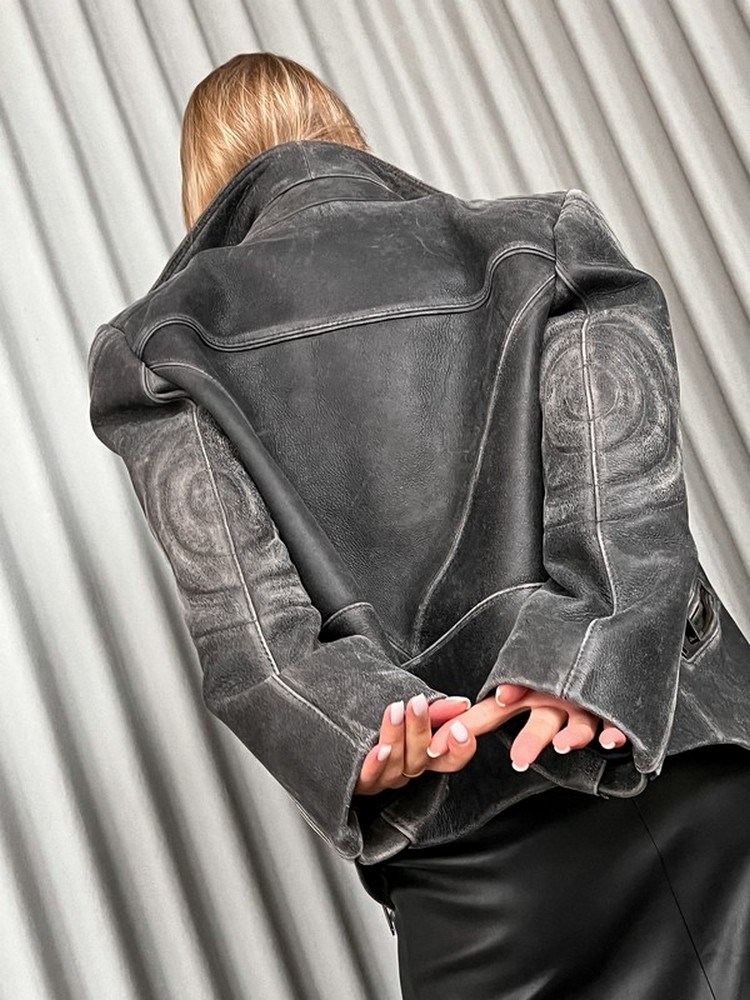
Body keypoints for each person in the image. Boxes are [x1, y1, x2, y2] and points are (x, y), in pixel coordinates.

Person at [88, 52, 750, 999]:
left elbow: (256, 638)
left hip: (479, 874)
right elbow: (621, 482)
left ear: (203, 186)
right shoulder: (537, 236)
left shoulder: (156, 348)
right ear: (343, 131)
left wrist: (369, 729)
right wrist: (585, 657)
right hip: (684, 757)